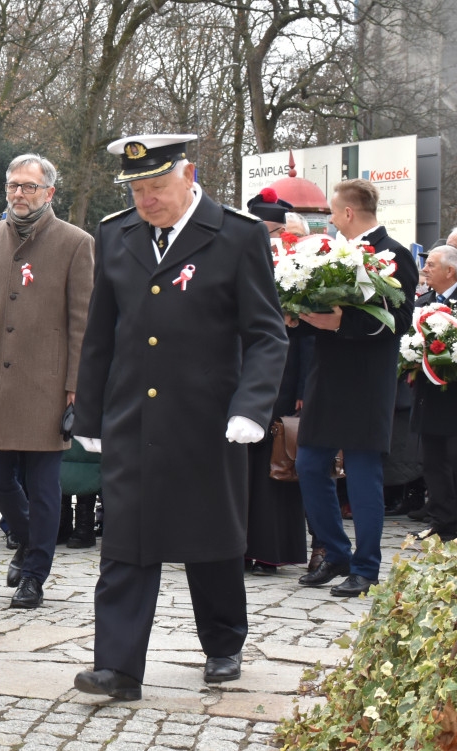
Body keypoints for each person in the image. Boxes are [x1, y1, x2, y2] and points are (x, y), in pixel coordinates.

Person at [73, 134, 288, 700]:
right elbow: (100, 335)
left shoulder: (236, 236)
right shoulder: (115, 234)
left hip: (207, 417)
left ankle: (222, 643)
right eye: (137, 189)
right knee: (125, 540)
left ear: (188, 175)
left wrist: (252, 406)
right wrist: (88, 415)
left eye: (157, 186)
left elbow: (267, 335)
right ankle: (118, 667)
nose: (147, 199)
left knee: (210, 536)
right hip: (131, 418)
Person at [0, 153, 94, 609]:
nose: (20, 194)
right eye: (13, 185)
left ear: (49, 192)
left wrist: (77, 382)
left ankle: (34, 574)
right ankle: (24, 537)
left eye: (29, 187)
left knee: (43, 486)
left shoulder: (75, 243)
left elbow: (82, 321)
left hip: (48, 381)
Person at [292, 178, 418, 597]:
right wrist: (297, 315)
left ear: (348, 212)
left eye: (332, 211)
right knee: (309, 465)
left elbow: (399, 321)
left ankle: (366, 568)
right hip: (326, 375)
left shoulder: (395, 254)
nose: (329, 219)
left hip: (368, 378)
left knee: (363, 474)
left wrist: (344, 323)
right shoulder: (327, 252)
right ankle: (336, 552)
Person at [241, 189, 310, 575]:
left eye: (276, 233)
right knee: (242, 463)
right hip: (243, 369)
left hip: (286, 373)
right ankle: (238, 545)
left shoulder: (300, 265)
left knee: (277, 461)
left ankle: (272, 550)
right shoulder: (239, 252)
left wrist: (302, 389)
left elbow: (309, 338)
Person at [408, 243, 457, 542]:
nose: (424, 269)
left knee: (453, 461)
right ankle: (441, 523)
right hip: (428, 394)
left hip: (454, 396)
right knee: (433, 462)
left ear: (450, 271)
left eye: (432, 265)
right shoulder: (423, 301)